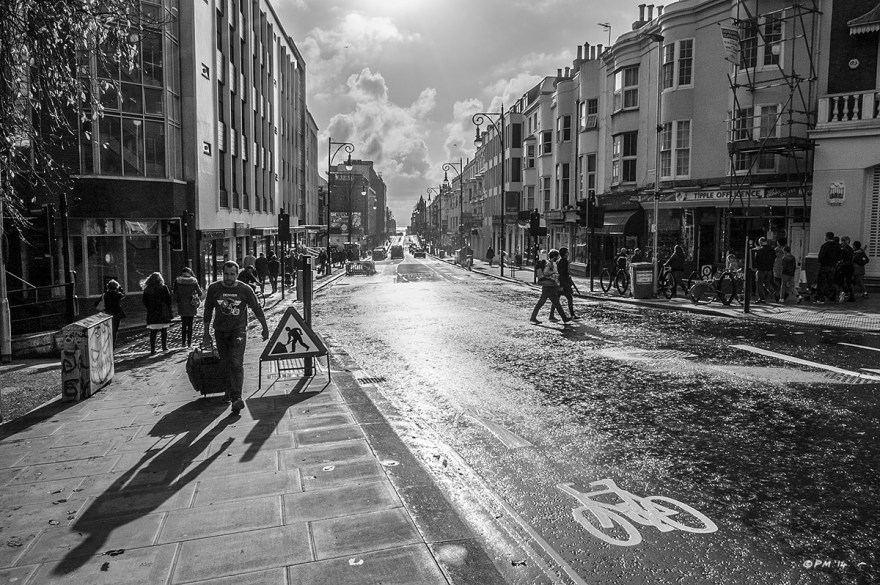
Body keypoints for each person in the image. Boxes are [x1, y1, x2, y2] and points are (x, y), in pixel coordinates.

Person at [203, 261, 270, 416]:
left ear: (237, 274)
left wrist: (265, 328)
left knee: (236, 362)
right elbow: (207, 311)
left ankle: (236, 398)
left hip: (238, 331)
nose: (229, 277)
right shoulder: (214, 288)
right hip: (220, 331)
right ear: (222, 273)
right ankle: (228, 391)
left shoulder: (244, 289)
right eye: (226, 274)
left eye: (232, 274)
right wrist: (206, 333)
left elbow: (257, 308)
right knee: (225, 363)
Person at [530, 249, 571, 325]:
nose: (558, 257)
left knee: (548, 303)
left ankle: (533, 317)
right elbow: (546, 272)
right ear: (555, 256)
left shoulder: (550, 263)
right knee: (551, 303)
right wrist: (554, 273)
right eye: (557, 256)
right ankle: (564, 318)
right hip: (548, 286)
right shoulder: (549, 264)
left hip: (549, 286)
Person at [142, 272, 173, 355]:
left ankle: (152, 350)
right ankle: (164, 347)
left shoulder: (147, 289)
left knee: (153, 332)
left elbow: (144, 301)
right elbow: (168, 299)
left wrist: (150, 307)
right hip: (162, 311)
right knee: (164, 331)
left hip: (152, 312)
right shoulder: (163, 288)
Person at [172, 267, 204, 347]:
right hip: (191, 304)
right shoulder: (193, 281)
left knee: (183, 324)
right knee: (190, 325)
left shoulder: (177, 280)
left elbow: (174, 293)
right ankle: (189, 343)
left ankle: (183, 342)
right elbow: (200, 293)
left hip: (182, 305)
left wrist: (178, 300)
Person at [550, 247, 578, 321]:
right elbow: (563, 274)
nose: (568, 253)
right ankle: (572, 314)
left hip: (560, 283)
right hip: (563, 283)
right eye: (567, 252)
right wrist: (564, 285)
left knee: (556, 300)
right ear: (565, 254)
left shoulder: (560, 261)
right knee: (569, 298)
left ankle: (551, 315)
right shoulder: (564, 262)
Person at [96, 280, 125, 347]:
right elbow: (123, 295)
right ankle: (112, 346)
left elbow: (96, 303)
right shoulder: (117, 294)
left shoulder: (104, 295)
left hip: (107, 314)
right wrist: (120, 289)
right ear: (116, 287)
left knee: (107, 331)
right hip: (116, 314)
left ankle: (106, 345)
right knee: (114, 332)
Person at [816, 231, 841, 303]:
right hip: (833, 266)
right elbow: (839, 257)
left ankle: (820, 299)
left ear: (826, 237)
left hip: (824, 266)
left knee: (821, 283)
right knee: (830, 282)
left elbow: (821, 257)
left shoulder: (824, 246)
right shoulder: (837, 246)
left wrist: (821, 262)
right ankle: (839, 291)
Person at [753, 237, 776, 303]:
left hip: (761, 269)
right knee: (767, 283)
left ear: (761, 242)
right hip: (769, 269)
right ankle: (774, 293)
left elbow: (756, 260)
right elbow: (774, 258)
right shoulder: (772, 250)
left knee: (759, 284)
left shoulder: (759, 250)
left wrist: (756, 266)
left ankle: (762, 298)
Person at [838, 236, 855, 302]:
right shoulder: (850, 249)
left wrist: (841, 264)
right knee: (849, 282)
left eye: (842, 241)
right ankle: (851, 296)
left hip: (845, 267)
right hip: (850, 267)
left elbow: (844, 259)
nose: (841, 242)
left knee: (842, 281)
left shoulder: (845, 249)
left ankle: (845, 293)